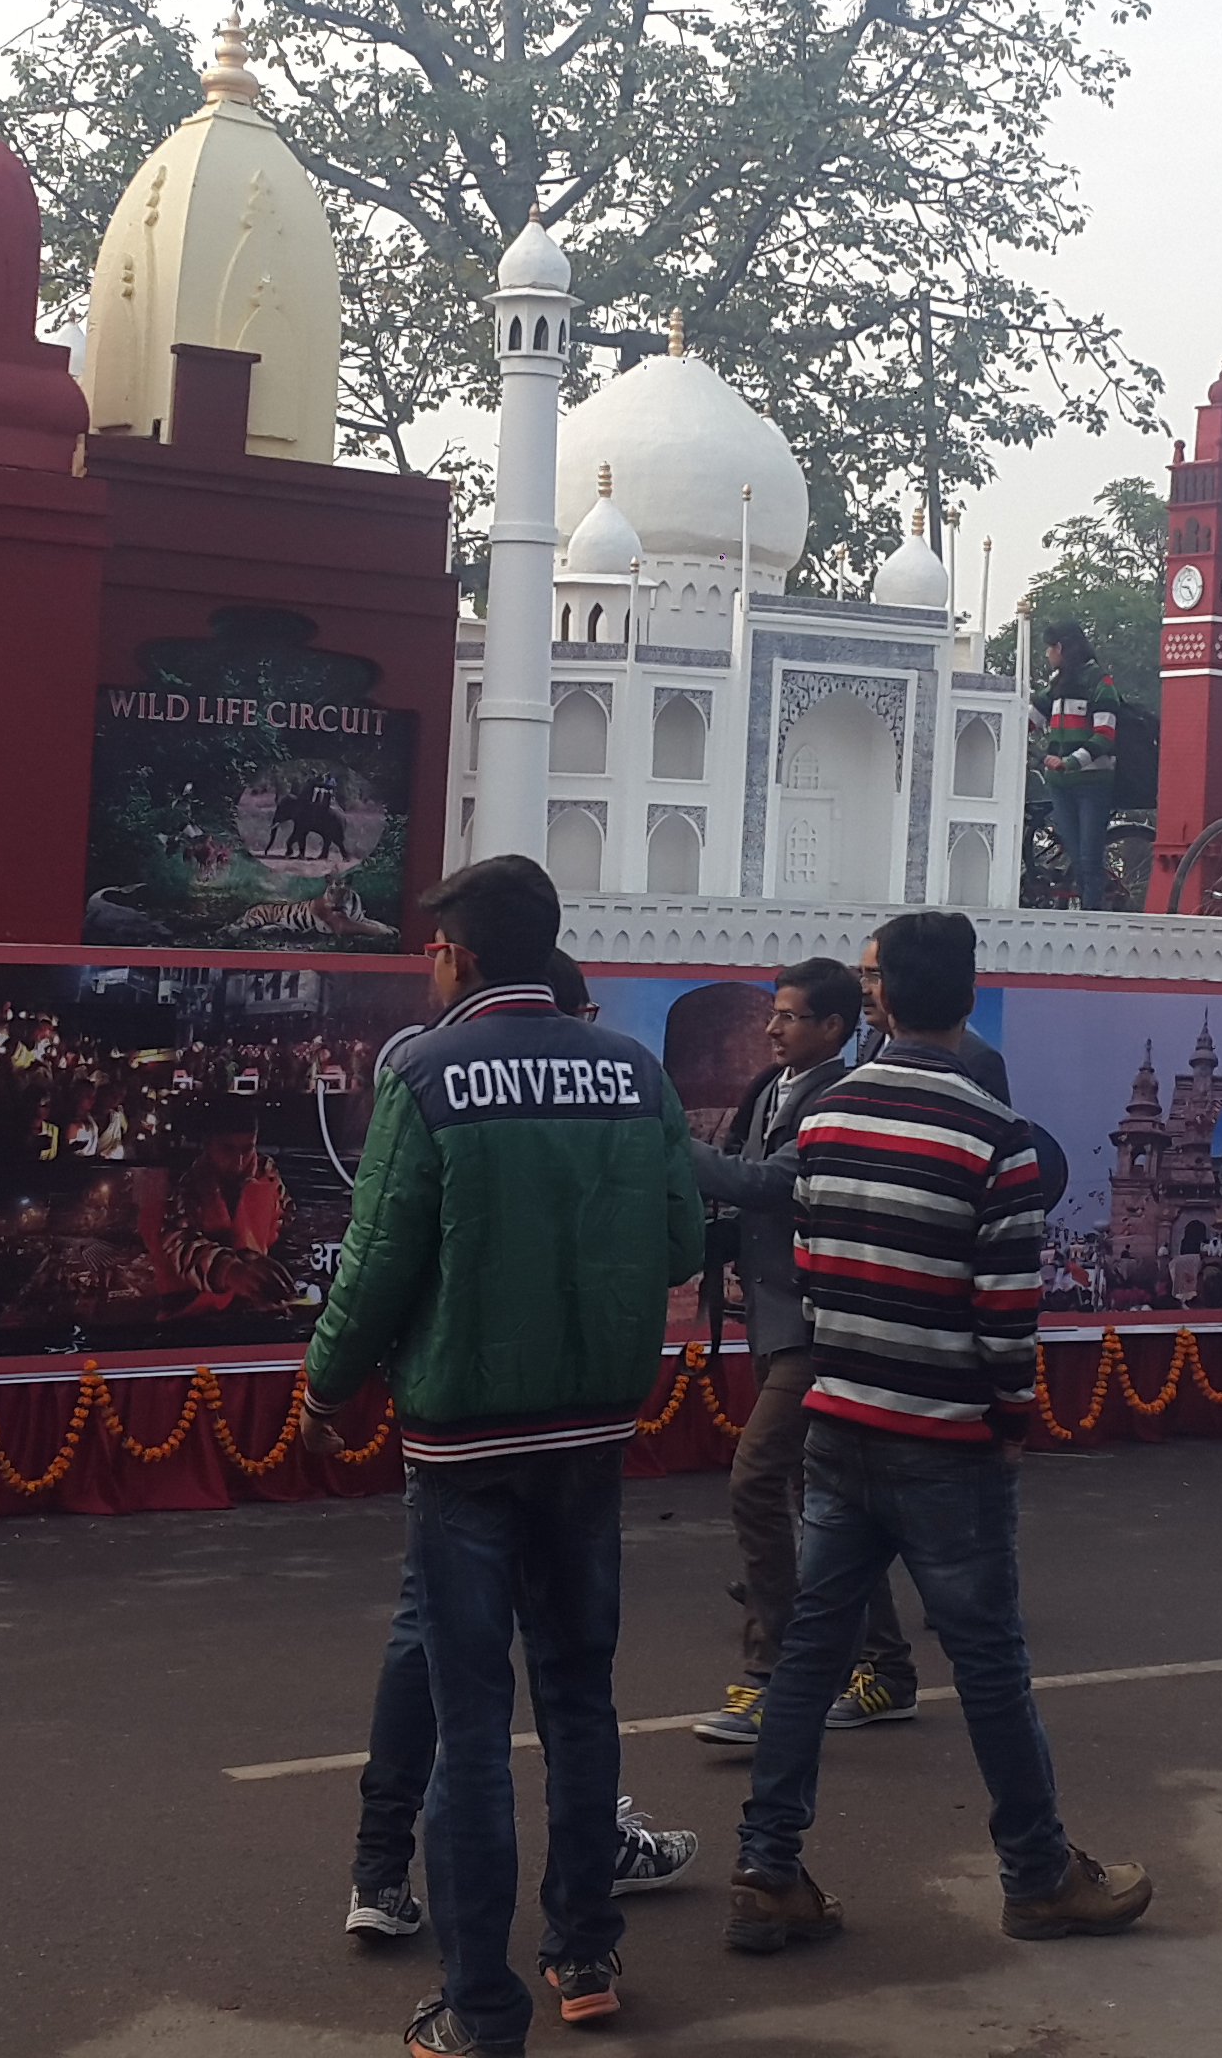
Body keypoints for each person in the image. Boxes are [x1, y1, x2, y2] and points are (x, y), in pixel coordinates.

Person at [309, 857, 698, 2053]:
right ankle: (584, 1954)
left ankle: (479, 2007)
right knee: (580, 1698)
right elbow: (683, 1241)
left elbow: (376, 1262)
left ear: (461, 956)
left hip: (462, 1440)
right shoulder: (633, 1072)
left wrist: (326, 1385)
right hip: (591, 1432)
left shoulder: (425, 1075)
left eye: (435, 948)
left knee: (471, 1722)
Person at [730, 909, 1150, 1967]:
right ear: (966, 998)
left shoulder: (824, 1118)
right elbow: (1007, 1313)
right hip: (946, 1441)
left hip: (840, 1421)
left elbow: (813, 1272)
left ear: (879, 1003)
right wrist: (1010, 1425)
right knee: (990, 1664)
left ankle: (768, 1871)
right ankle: (1038, 1875)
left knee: (810, 1654)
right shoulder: (995, 1138)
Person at [693, 956, 920, 1741]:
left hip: (820, 1326)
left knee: (756, 1481)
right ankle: (885, 1668)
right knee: (827, 1504)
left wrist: (664, 1145)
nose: (772, 1029)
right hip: (774, 1320)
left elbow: (771, 1185)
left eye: (789, 1017)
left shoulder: (843, 1097)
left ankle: (775, 1671)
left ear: (834, 1026)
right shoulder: (772, 1090)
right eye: (772, 1013)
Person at [1030, 622, 1129, 912]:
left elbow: (1105, 736)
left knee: (1088, 859)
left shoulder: (1101, 683)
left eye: (1050, 648)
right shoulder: (1057, 684)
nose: (1047, 654)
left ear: (1060, 648)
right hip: (1060, 785)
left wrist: (1071, 762)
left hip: (1092, 785)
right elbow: (1032, 715)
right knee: (1075, 854)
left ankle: (1092, 916)